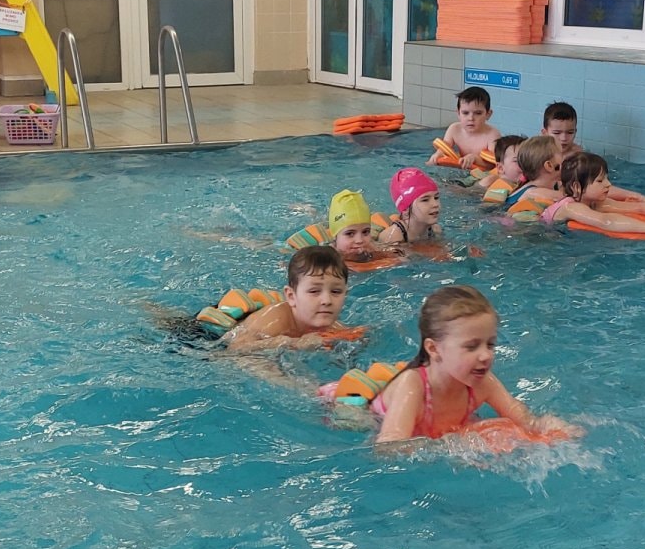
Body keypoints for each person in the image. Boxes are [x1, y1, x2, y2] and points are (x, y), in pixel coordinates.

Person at [372, 286, 565, 443]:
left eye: (490, 344)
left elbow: (520, 415)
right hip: (372, 419)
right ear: (434, 349)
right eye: (471, 347)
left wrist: (544, 425)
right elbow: (389, 447)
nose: (486, 355)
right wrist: (454, 445)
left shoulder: (483, 382)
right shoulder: (412, 386)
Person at [225, 245, 353, 352]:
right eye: (314, 291)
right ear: (291, 296)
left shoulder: (337, 330)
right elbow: (236, 348)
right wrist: (292, 343)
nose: (327, 300)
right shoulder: (274, 319)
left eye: (336, 291)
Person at [543, 151, 645, 237]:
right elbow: (606, 221)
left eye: (607, 178)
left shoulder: (595, 202)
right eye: (600, 181)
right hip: (545, 235)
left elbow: (639, 207)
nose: (608, 184)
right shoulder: (571, 207)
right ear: (577, 187)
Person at [431, 86, 500, 166]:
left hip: (483, 171)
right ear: (458, 113)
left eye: (478, 113)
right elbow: (444, 149)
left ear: (488, 114)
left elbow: (495, 164)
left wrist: (475, 158)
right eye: (465, 113)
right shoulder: (454, 129)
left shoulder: (492, 135)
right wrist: (438, 154)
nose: (471, 118)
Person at [501, 135, 564, 221]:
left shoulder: (549, 185)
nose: (566, 159)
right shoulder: (534, 192)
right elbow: (571, 198)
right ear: (549, 166)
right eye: (562, 154)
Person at [378, 168, 442, 247]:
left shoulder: (435, 230)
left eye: (436, 198)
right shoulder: (393, 237)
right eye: (425, 200)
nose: (435, 204)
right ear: (405, 209)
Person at [480, 134, 530, 205]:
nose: (525, 164)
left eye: (527, 159)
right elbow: (487, 208)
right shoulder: (499, 187)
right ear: (501, 168)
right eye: (517, 161)